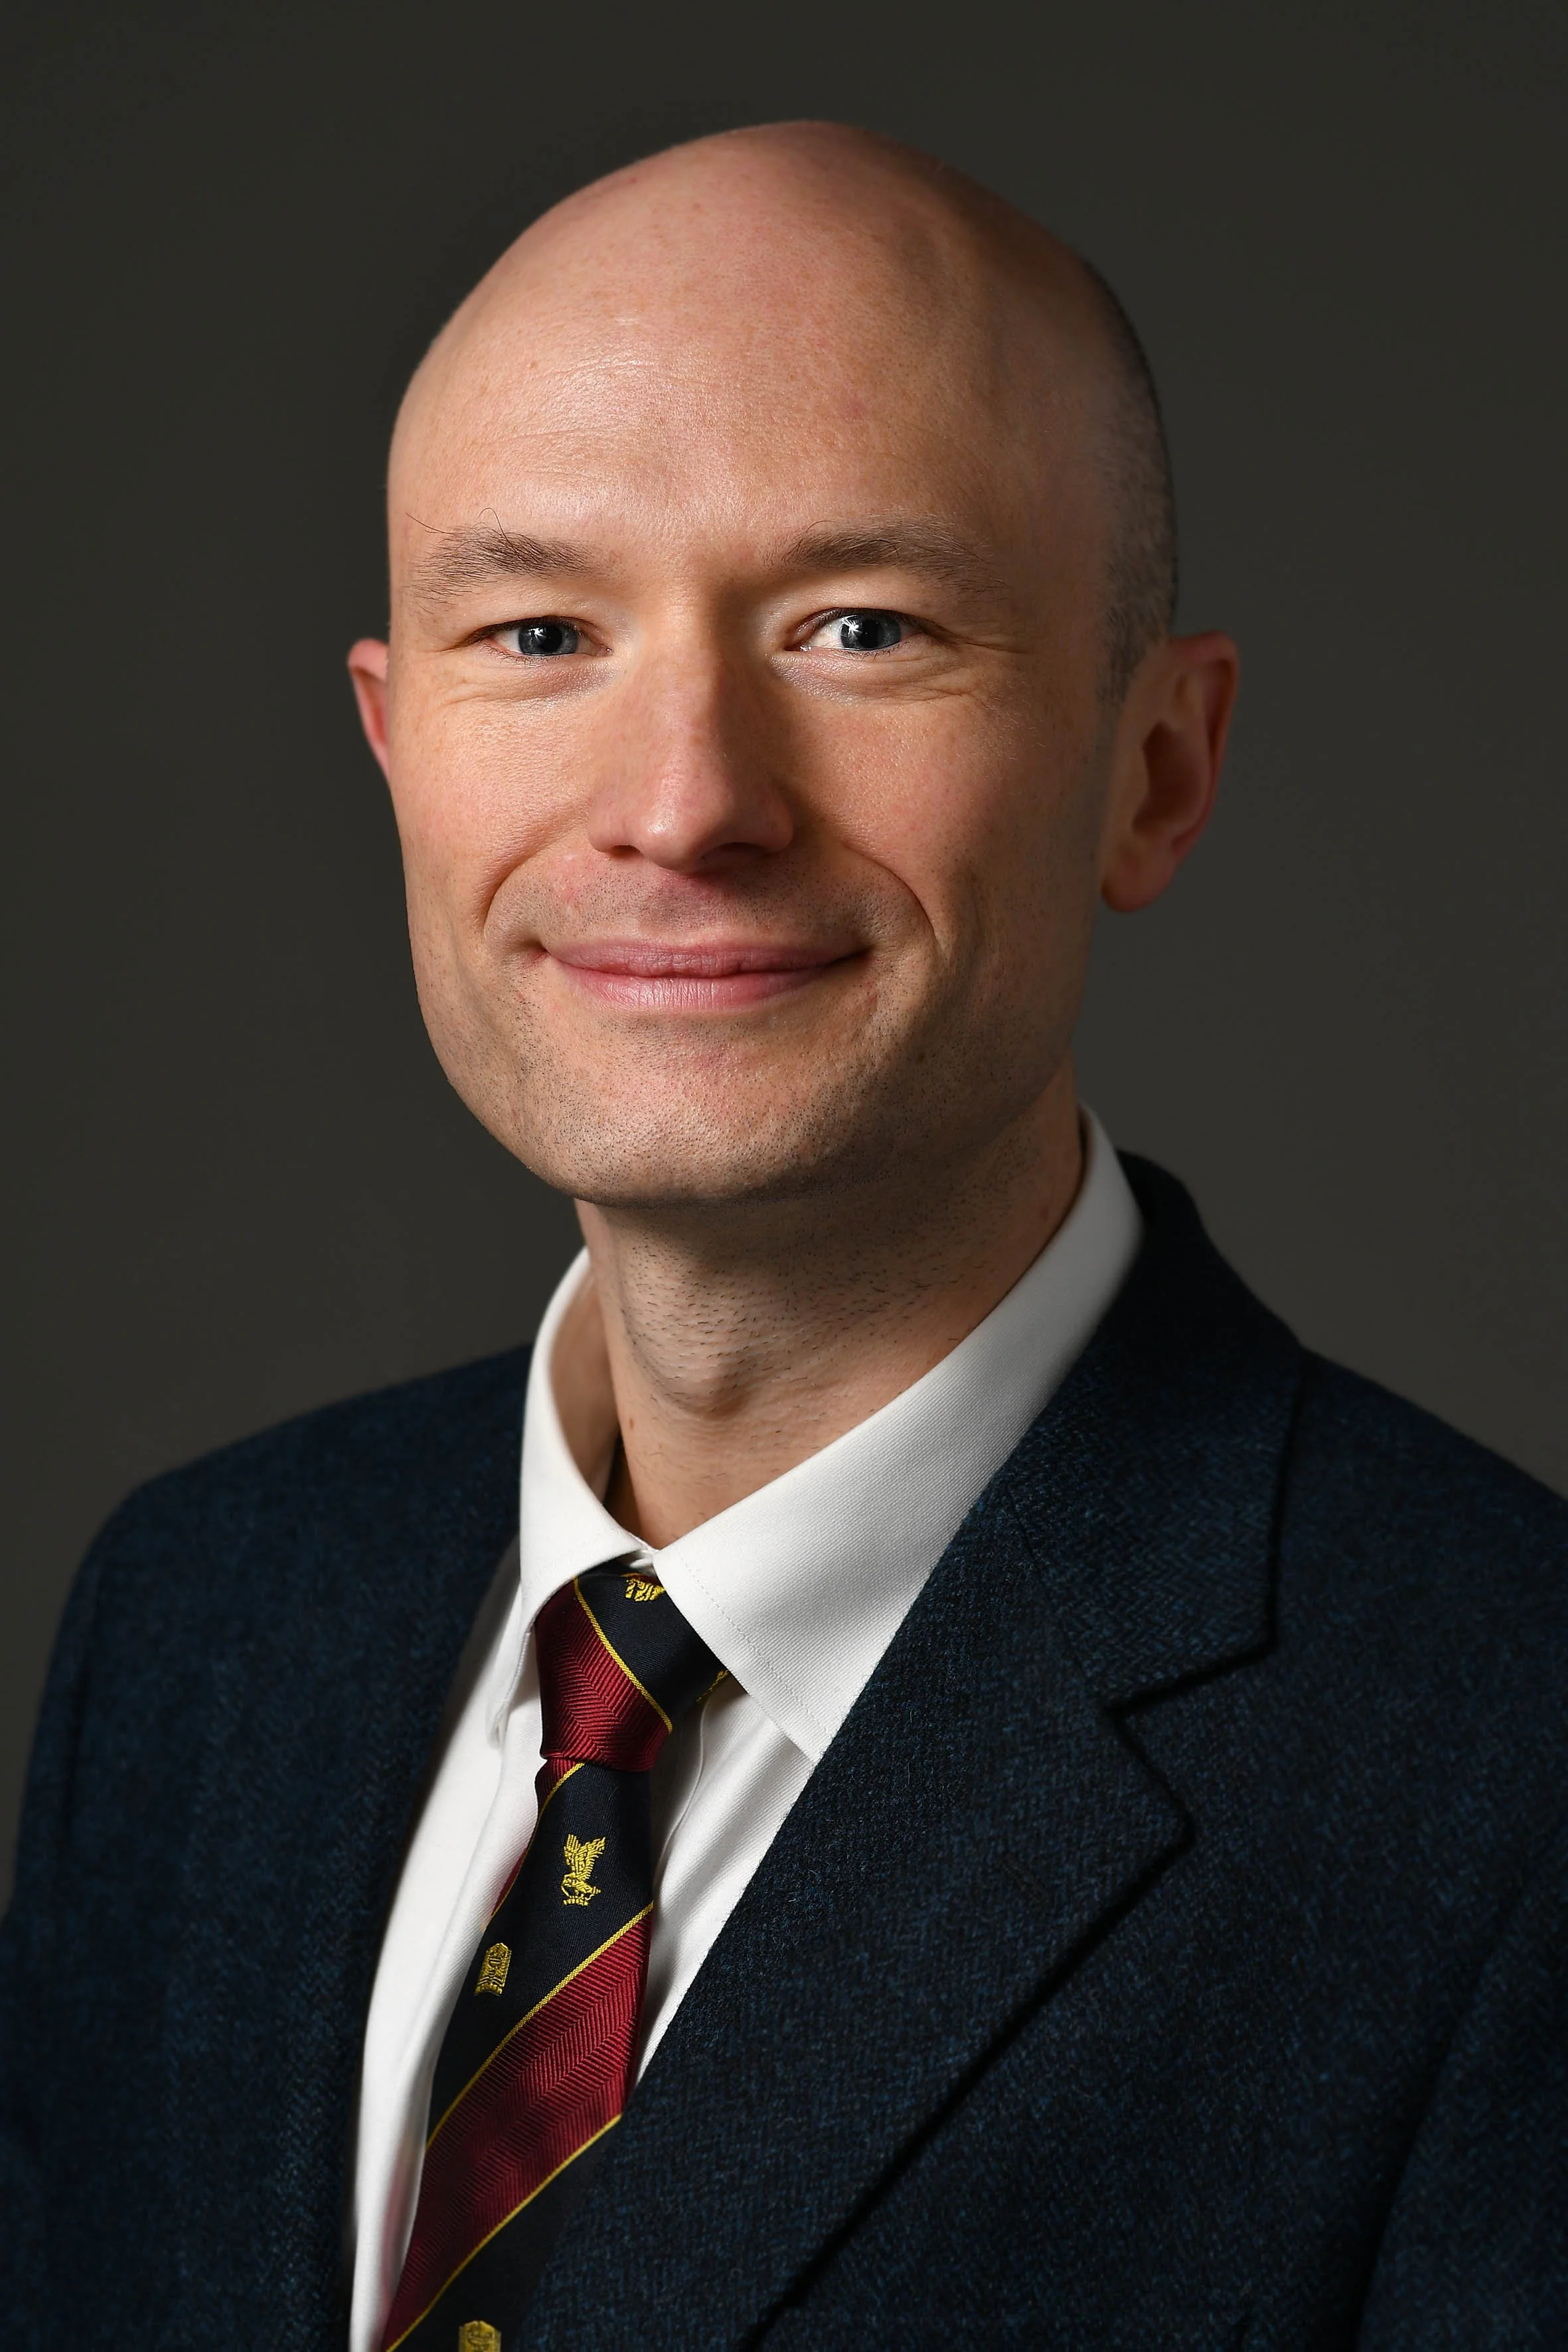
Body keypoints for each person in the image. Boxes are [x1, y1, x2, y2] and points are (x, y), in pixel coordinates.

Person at [3, 120, 1564, 2351]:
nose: (685, 799)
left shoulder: (1508, 1768)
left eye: (862, 625)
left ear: (1156, 768)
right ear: (392, 746)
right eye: (537, 630)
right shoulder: (196, 1630)